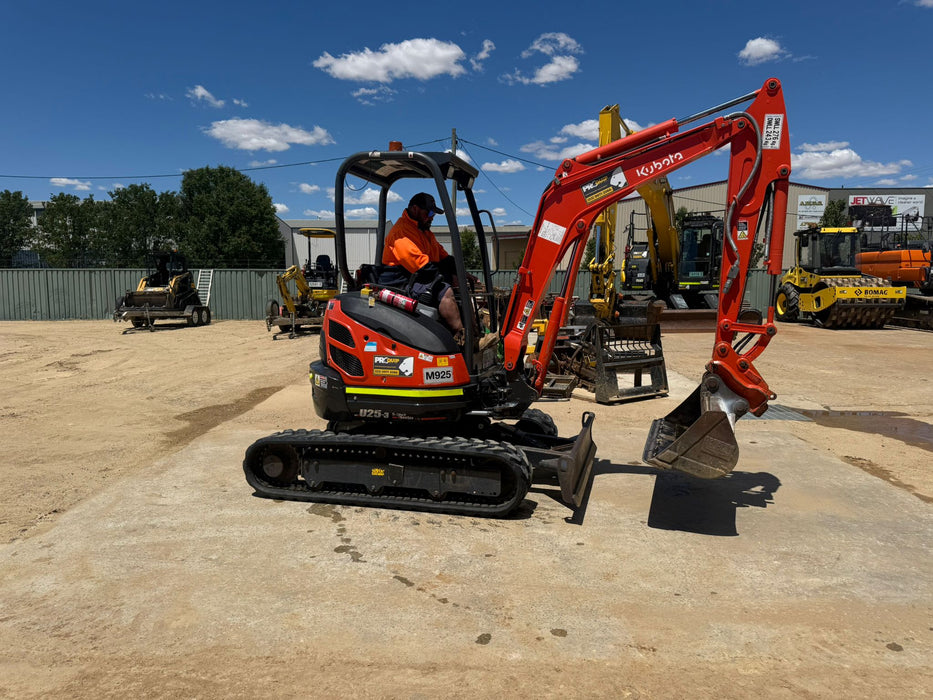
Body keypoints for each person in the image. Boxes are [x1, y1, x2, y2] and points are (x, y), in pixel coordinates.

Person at [380, 192, 474, 337]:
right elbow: (422, 267)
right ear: (415, 209)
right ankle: (464, 339)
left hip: (416, 278)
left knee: (460, 285)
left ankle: (475, 334)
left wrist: (462, 273)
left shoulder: (425, 232)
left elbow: (443, 258)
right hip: (401, 282)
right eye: (429, 212)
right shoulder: (401, 232)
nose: (431, 217)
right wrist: (448, 277)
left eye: (433, 214)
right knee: (446, 291)